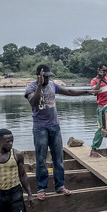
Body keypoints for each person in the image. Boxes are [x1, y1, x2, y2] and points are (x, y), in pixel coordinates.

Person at [25, 64, 95, 200]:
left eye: (48, 76)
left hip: (54, 127)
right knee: (41, 159)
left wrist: (87, 91)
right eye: (44, 77)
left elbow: (68, 91)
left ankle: (60, 186)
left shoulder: (53, 85)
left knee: (58, 158)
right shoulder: (31, 88)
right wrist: (39, 85)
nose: (47, 79)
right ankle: (41, 188)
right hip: (40, 128)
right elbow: (33, 102)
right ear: (38, 76)